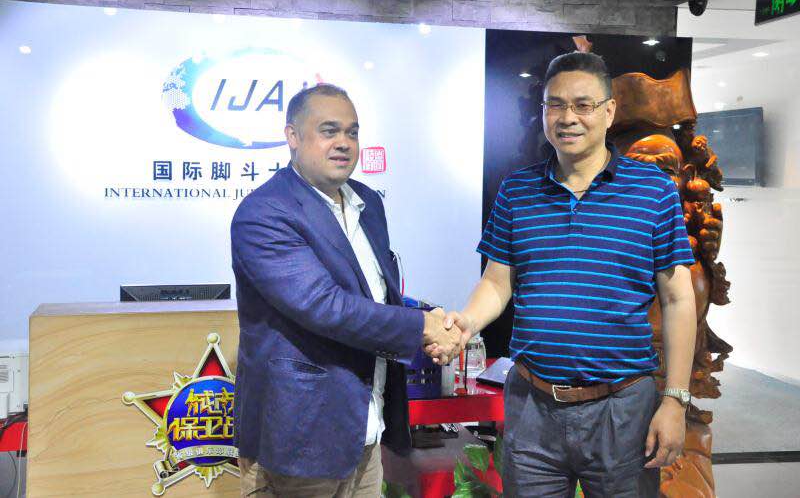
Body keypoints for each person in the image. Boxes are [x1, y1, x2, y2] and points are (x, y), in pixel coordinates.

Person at [435, 52, 697, 497]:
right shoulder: (517, 190)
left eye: (583, 105)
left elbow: (678, 299)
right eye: (555, 104)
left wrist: (676, 399)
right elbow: (497, 282)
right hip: (532, 406)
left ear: (609, 112)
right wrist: (466, 323)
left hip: (622, 409)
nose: (568, 117)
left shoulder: (653, 192)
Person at [231, 83, 461, 497]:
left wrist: (432, 325)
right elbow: (325, 306)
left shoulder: (367, 203)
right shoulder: (264, 212)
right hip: (301, 436)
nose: (343, 143)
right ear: (293, 137)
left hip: (365, 425)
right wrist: (422, 327)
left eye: (352, 132)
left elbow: (376, 297)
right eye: (329, 131)